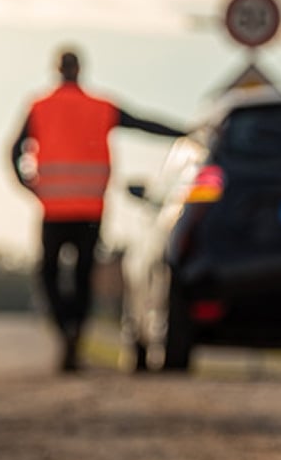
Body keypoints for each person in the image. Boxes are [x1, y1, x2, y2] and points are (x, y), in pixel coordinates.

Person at [10, 47, 185, 372]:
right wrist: (187, 132)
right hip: (90, 210)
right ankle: (74, 331)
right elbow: (145, 123)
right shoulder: (100, 106)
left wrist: (32, 188)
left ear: (57, 69)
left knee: (47, 274)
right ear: (80, 69)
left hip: (54, 210)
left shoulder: (39, 107)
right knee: (82, 276)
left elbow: (12, 151)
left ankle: (65, 329)